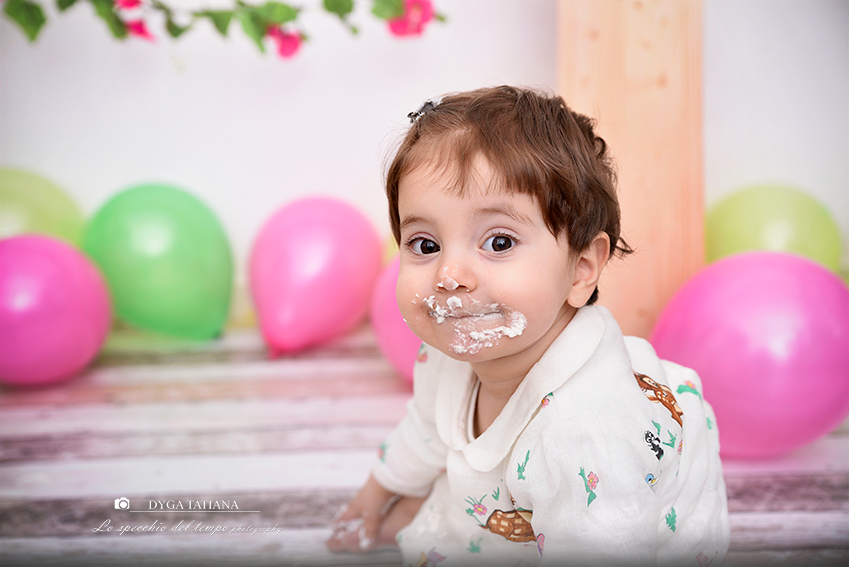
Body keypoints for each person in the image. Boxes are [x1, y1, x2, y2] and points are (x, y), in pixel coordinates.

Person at [327, 86, 729, 566]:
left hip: (633, 521)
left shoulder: (583, 435)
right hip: (534, 485)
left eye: (498, 242)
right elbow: (427, 427)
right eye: (425, 245)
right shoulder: (452, 350)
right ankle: (448, 503)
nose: (449, 276)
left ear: (581, 268)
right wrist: (376, 494)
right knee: (456, 491)